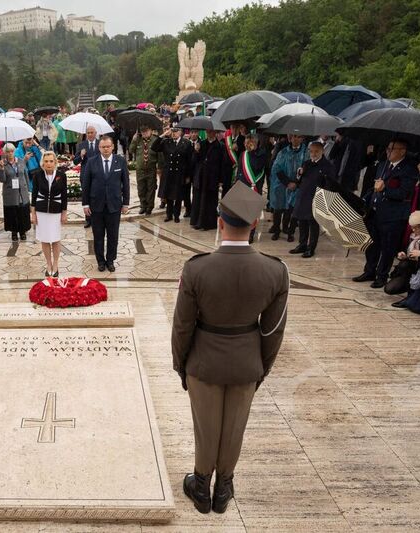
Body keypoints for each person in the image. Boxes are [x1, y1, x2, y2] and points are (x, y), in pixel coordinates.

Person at [171, 184, 289, 515]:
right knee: (235, 426)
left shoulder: (197, 268)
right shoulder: (275, 271)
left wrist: (181, 364)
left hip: (204, 361)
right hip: (246, 361)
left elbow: (182, 326)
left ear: (219, 222)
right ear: (254, 225)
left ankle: (201, 486)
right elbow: (273, 330)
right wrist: (262, 367)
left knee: (205, 427)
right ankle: (223, 488)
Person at [354, 140, 419, 288]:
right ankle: (369, 270)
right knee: (372, 244)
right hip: (376, 212)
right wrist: (365, 199)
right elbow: (375, 186)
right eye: (388, 148)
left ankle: (382, 275)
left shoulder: (409, 169)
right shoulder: (383, 165)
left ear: (402, 151)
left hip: (393, 216)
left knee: (388, 247)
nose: (388, 152)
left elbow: (404, 193)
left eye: (392, 149)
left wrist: (384, 190)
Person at [81, 135, 130, 273]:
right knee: (98, 235)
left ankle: (110, 260)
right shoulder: (92, 162)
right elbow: (86, 184)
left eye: (108, 146)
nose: (106, 149)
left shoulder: (120, 161)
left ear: (113, 146)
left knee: (113, 235)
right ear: (99, 147)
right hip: (96, 205)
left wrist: (125, 203)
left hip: (114, 205)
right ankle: (100, 261)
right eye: (103, 147)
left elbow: (125, 183)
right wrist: (85, 204)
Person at [289, 140, 337, 258]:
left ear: (322, 151)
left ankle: (311, 248)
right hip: (303, 197)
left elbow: (330, 184)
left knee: (313, 224)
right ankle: (302, 244)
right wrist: (299, 174)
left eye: (316, 151)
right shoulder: (306, 163)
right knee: (302, 222)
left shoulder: (328, 166)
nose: (313, 154)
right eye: (311, 151)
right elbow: (299, 181)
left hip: (316, 198)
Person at [31, 151, 68, 276]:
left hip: (56, 211)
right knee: (45, 239)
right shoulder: (37, 175)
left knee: (56, 239)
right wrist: (33, 213)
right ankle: (48, 263)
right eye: (46, 161)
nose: (48, 163)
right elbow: (34, 195)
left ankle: (56, 264)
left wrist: (64, 212)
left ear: (55, 162)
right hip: (41, 212)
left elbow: (64, 196)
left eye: (51, 161)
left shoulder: (62, 176)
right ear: (43, 163)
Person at [390, 211, 420, 307]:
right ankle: (412, 291)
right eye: (412, 227)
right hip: (414, 266)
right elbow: (409, 252)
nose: (413, 230)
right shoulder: (414, 236)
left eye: (416, 227)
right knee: (390, 289)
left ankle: (412, 297)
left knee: (405, 265)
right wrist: (404, 255)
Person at [269, 135, 308, 242]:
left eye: (298, 137)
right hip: (281, 185)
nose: (295, 139)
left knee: (289, 209)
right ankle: (276, 229)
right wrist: (287, 183)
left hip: (296, 186)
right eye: (293, 136)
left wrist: (296, 183)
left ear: (302, 138)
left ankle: (286, 229)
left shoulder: (305, 153)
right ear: (290, 138)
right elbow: (277, 168)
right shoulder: (283, 152)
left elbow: (306, 168)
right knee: (278, 208)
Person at [191, 129, 232, 231]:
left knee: (210, 201)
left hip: (212, 177)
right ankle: (197, 222)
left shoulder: (220, 146)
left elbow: (223, 164)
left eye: (211, 132)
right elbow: (194, 161)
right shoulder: (201, 144)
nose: (209, 134)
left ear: (215, 133)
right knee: (199, 199)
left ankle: (209, 223)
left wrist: (221, 179)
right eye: (207, 132)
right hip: (201, 177)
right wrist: (196, 151)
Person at [152, 126, 194, 223]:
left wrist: (188, 175)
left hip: (180, 173)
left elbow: (189, 161)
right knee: (169, 195)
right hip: (169, 173)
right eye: (173, 131)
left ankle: (176, 215)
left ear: (181, 132)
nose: (174, 133)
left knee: (178, 196)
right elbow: (154, 147)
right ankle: (169, 215)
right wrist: (162, 135)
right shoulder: (167, 142)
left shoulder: (186, 143)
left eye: (176, 131)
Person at [235, 133, 267, 243]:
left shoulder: (261, 154)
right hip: (242, 186)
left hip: (254, 186)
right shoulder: (243, 154)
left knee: (251, 213)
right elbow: (239, 171)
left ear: (255, 143)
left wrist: (253, 153)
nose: (247, 145)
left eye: (250, 143)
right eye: (246, 143)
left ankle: (250, 234)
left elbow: (257, 167)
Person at [0, 143, 32, 242]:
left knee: (22, 211)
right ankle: (14, 232)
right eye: (8, 152)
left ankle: (22, 231)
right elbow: (2, 179)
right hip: (10, 193)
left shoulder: (20, 161)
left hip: (22, 191)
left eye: (12, 151)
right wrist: (1, 169)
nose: (10, 153)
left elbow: (25, 174)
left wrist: (27, 188)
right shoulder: (2, 163)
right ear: (5, 153)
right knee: (13, 212)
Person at [130, 126, 162, 215]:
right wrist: (133, 140)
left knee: (151, 189)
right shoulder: (138, 140)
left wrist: (159, 167)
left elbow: (159, 155)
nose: (144, 133)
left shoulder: (155, 140)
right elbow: (131, 150)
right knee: (141, 189)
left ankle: (149, 206)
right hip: (140, 169)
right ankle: (143, 205)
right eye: (142, 131)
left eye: (146, 131)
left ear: (151, 130)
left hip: (151, 169)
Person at [74, 126, 100, 228]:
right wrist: (81, 155)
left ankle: (97, 218)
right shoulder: (82, 145)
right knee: (87, 196)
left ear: (95, 133)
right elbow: (75, 161)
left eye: (92, 132)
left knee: (97, 196)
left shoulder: (100, 144)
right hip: (85, 175)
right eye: (88, 133)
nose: (90, 134)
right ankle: (88, 219)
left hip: (98, 174)